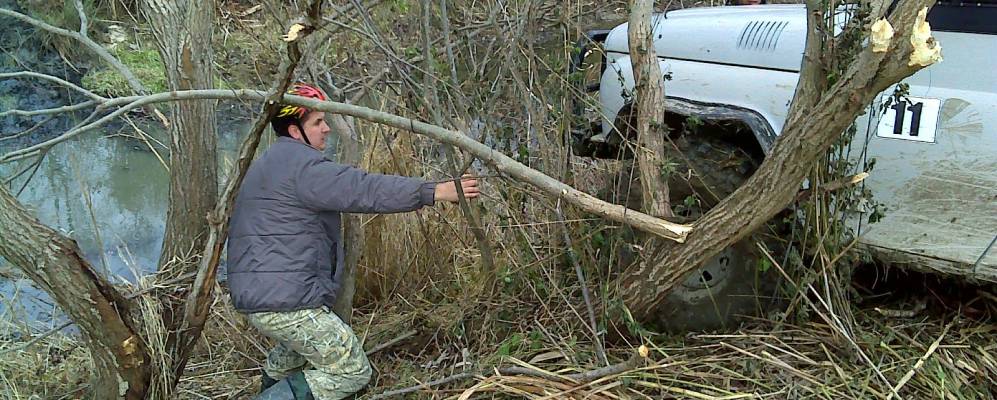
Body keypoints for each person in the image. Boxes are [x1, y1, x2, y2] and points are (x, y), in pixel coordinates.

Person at [226, 83, 480, 399]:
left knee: (294, 355)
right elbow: (364, 189)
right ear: (294, 131)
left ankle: (272, 386)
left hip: (262, 296)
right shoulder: (303, 167)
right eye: (318, 122)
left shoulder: (270, 163)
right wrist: (433, 191)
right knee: (351, 371)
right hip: (287, 301)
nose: (327, 129)